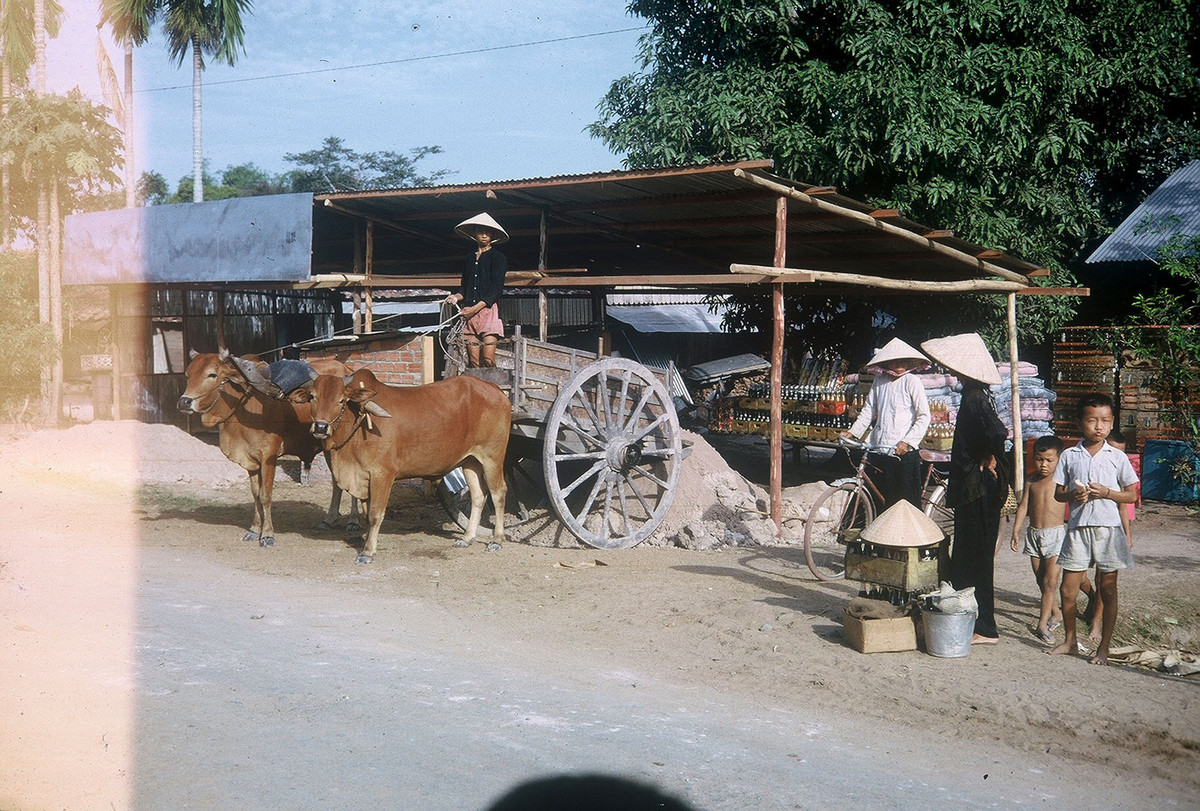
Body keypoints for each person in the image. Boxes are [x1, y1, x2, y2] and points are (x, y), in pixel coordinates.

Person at [921, 333, 1009, 645]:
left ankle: (985, 627)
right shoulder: (977, 395)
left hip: (978, 487)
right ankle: (973, 619)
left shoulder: (975, 398)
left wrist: (989, 455)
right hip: (974, 487)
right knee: (970, 554)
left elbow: (998, 433)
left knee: (977, 557)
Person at [1048, 392, 1139, 665]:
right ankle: (1070, 641)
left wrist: (1108, 493)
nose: (1099, 426)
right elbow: (1058, 494)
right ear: (1079, 423)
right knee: (1067, 589)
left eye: (1105, 421)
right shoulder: (1069, 455)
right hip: (1078, 529)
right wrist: (1072, 496)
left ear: (1111, 424)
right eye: (1092, 421)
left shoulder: (1117, 457)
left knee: (1108, 589)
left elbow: (1131, 496)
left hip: (1109, 530)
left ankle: (1104, 647)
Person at [839, 338, 931, 509]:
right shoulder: (879, 381)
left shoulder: (912, 381)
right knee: (874, 498)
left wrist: (908, 442)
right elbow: (868, 411)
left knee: (903, 505)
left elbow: (924, 416)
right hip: (879, 447)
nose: (898, 363)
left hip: (902, 451)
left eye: (903, 360)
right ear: (887, 362)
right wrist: (853, 432)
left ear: (909, 361)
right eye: (894, 360)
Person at [1010, 435, 1066, 644]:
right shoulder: (1031, 481)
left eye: (1049, 460)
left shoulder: (1062, 481)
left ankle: (1042, 624)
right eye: (1039, 459)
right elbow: (1023, 506)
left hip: (1055, 536)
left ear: (1059, 459)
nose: (1044, 465)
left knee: (1050, 583)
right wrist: (1016, 530)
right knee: (1039, 579)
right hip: (1034, 535)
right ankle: (1056, 613)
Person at [446, 212, 508, 368]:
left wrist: (473, 309)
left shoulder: (498, 257)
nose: (484, 235)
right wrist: (456, 297)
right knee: (474, 362)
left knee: (488, 360)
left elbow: (496, 289)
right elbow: (465, 288)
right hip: (469, 315)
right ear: (474, 234)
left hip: (487, 311)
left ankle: (491, 389)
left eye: (488, 232)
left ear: (493, 235)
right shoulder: (469, 258)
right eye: (480, 231)